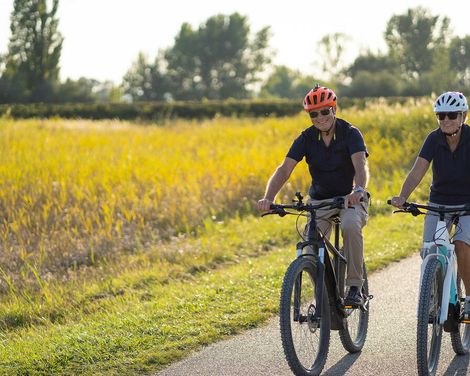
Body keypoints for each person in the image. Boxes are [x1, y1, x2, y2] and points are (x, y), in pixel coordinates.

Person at [257, 84, 370, 305]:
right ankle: (325, 295)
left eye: (325, 111)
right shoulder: (306, 138)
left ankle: (355, 286)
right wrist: (268, 198)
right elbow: (284, 169)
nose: (320, 117)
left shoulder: (350, 133)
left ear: (334, 109)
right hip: (320, 202)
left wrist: (358, 190)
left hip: (350, 199)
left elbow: (361, 165)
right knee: (309, 246)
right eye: (314, 113)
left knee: (349, 226)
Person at [391, 91, 470, 317]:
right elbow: (417, 171)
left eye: (451, 115)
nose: (445, 120)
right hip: (439, 204)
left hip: (467, 205)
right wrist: (402, 196)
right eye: (441, 116)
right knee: (431, 249)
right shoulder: (433, 139)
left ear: (463, 116)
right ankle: (434, 296)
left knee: (463, 245)